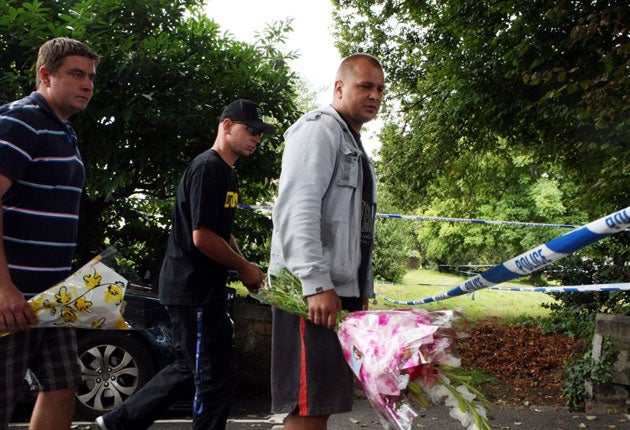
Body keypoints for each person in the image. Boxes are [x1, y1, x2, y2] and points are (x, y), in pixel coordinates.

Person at [96, 99, 274, 430]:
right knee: (213, 377)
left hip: (201, 290)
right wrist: (243, 268)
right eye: (251, 129)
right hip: (194, 290)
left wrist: (244, 262)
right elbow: (202, 237)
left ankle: (120, 420)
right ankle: (120, 420)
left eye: (260, 133)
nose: (257, 138)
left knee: (193, 368)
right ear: (226, 126)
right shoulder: (208, 168)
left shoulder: (226, 174)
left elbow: (221, 232)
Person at [269, 53, 385, 430]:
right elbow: (297, 208)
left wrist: (358, 289)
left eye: (380, 89)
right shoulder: (319, 130)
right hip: (309, 291)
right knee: (309, 402)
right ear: (339, 87)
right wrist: (316, 283)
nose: (374, 96)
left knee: (320, 402)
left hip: (336, 290)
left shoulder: (351, 139)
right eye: (365, 86)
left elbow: (356, 226)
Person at [0, 37, 99, 429]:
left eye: (91, 76)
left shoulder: (62, 130)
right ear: (45, 75)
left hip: (52, 299)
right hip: (14, 296)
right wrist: (3, 288)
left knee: (62, 386)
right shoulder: (21, 120)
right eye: (76, 74)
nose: (87, 84)